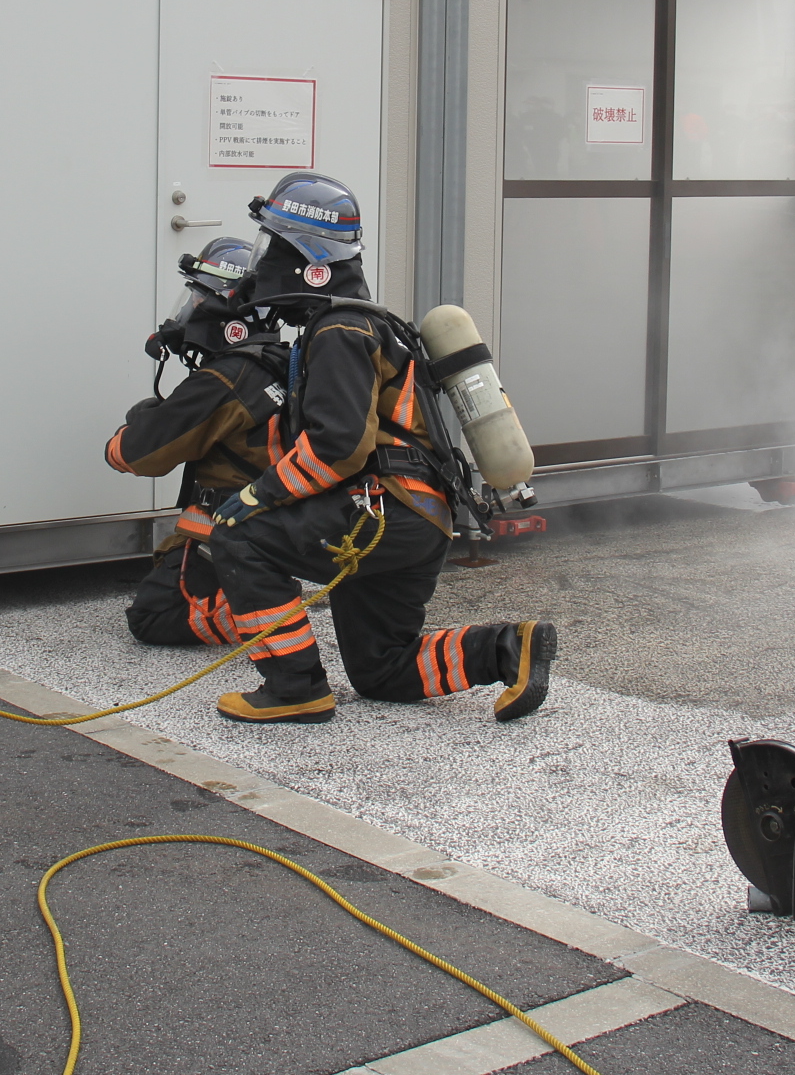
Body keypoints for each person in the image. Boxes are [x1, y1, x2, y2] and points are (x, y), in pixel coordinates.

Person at [199, 171, 553, 724]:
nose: (262, 263)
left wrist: (254, 497)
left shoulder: (339, 331)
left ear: (312, 263)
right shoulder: (366, 325)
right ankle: (509, 648)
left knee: (238, 534)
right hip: (417, 519)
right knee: (381, 669)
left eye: (274, 247)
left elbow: (338, 445)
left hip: (383, 512)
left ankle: (294, 687)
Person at [106, 237, 289, 646]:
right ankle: (258, 595)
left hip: (232, 529)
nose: (189, 311)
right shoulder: (269, 361)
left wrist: (127, 433)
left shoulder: (223, 379)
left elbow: (139, 455)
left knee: (153, 617)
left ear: (229, 311)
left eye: (199, 298)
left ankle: (262, 616)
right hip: (260, 526)